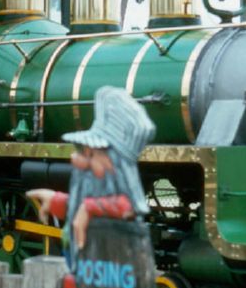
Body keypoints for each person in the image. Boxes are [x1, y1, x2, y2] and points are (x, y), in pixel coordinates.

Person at [27, 85, 155, 268]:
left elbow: (128, 207)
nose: (77, 160)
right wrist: (57, 200)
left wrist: (89, 208)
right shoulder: (95, 185)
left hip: (110, 274)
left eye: (90, 154)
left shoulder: (121, 193)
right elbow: (87, 206)